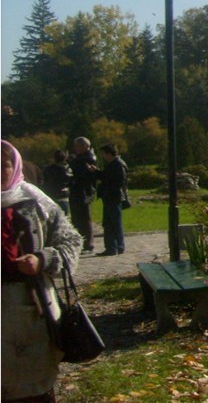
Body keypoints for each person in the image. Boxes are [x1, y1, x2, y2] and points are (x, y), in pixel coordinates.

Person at [2, 139, 84, 402]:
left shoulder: (35, 201)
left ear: (14, 166)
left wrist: (42, 259)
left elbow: (71, 241)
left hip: (29, 312)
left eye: (4, 165)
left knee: (33, 389)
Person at [95, 144, 127, 257]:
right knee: (109, 223)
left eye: (104, 154)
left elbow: (118, 181)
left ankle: (118, 246)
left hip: (113, 197)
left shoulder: (118, 164)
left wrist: (101, 177)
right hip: (109, 197)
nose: (103, 157)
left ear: (109, 154)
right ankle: (111, 247)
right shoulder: (113, 164)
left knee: (114, 223)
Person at [67, 137, 97, 253]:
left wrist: (71, 161)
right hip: (79, 191)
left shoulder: (88, 158)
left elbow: (81, 172)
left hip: (84, 191)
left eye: (77, 146)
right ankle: (81, 242)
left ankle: (88, 244)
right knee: (78, 218)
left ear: (84, 146)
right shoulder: (82, 158)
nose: (75, 149)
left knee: (84, 218)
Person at [41, 151, 72, 217]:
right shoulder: (67, 169)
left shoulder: (48, 169)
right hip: (63, 195)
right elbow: (70, 181)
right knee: (65, 217)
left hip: (51, 195)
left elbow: (44, 181)